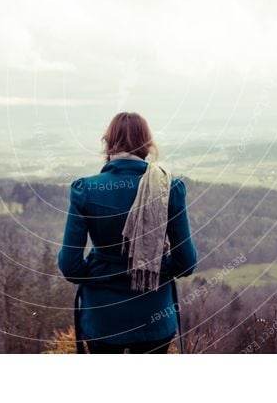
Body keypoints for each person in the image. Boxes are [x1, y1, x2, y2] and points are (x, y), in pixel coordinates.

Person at [58, 112, 197, 354]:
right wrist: (155, 263)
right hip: (155, 317)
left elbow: (70, 267)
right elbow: (186, 264)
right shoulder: (171, 189)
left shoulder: (85, 190)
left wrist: (99, 272)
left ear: (108, 143)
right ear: (147, 144)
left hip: (103, 320)